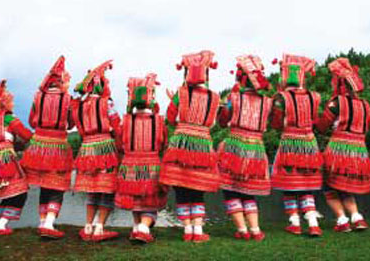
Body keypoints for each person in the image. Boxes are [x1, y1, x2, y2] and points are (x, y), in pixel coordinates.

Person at [159, 51, 220, 243]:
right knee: (197, 186)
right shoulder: (214, 97)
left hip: (181, 143)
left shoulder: (181, 94)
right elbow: (212, 124)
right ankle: (198, 230)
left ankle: (187, 230)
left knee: (181, 185)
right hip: (202, 143)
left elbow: (170, 118)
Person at [217, 55, 273, 241]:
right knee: (248, 190)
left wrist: (223, 107)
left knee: (231, 189)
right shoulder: (268, 102)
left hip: (235, 146)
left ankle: (242, 230)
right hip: (256, 148)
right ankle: (255, 230)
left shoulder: (234, 98)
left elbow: (222, 121)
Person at [269, 55, 323, 236]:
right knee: (306, 183)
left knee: (289, 183)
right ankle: (313, 223)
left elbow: (276, 124)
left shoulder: (281, 97)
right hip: (309, 143)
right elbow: (315, 120)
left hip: (290, 143)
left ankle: (294, 222)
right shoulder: (314, 97)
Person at [20, 56, 74, 238]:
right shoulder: (67, 99)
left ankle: (42, 221)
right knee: (57, 184)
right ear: (60, 82)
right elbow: (71, 124)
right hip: (57, 144)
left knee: (43, 183)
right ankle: (49, 223)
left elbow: (31, 121)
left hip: (38, 145)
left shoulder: (38, 97)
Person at [316, 58, 370, 232]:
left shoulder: (337, 102)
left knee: (329, 184)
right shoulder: (365, 105)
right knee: (345, 185)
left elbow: (323, 125)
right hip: (359, 151)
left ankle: (342, 220)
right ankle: (357, 217)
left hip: (339, 148)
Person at [115, 74, 169, 243]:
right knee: (149, 200)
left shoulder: (125, 122)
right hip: (151, 165)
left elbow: (118, 144)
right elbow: (164, 144)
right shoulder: (159, 122)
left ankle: (137, 227)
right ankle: (144, 228)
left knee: (136, 200)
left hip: (129, 165)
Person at [72, 60, 121, 241]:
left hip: (86, 149)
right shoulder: (106, 103)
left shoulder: (78, 106)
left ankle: (87, 226)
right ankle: (100, 228)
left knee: (92, 188)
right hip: (104, 148)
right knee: (106, 188)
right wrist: (121, 146)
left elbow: (78, 128)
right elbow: (117, 125)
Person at [0, 80, 33, 237]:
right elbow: (27, 135)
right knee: (20, 191)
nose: (13, 104)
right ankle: (1, 225)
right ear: (5, 104)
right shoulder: (9, 119)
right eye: (11, 102)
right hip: (6, 160)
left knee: (7, 192)